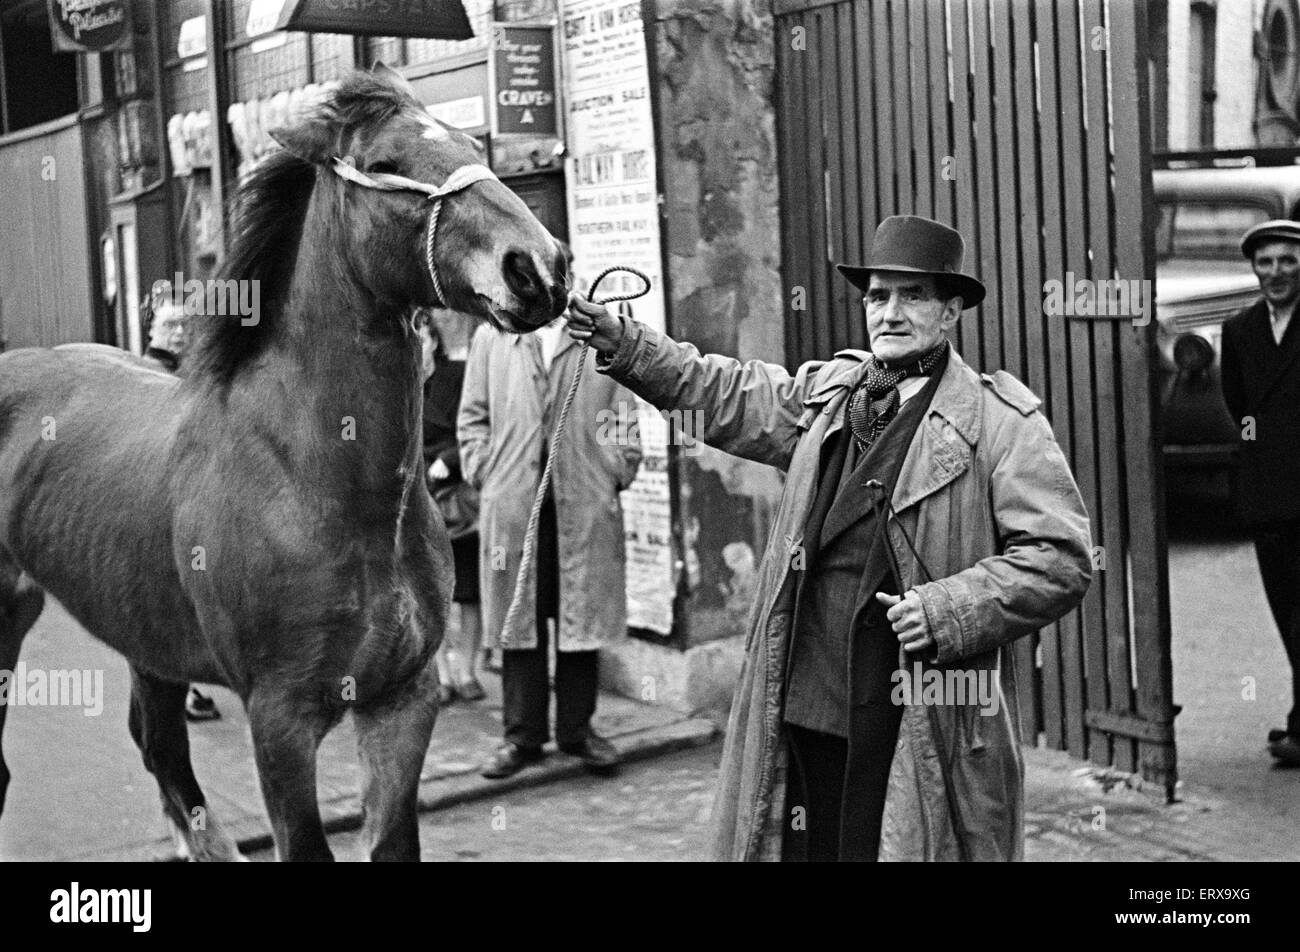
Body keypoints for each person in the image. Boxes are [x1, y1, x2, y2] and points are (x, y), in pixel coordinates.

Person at [567, 215, 1093, 861]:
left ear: (951, 309)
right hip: (807, 693)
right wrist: (626, 344)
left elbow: (1060, 558)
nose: (890, 314)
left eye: (913, 296)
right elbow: (720, 392)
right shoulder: (831, 395)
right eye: (878, 296)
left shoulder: (999, 424)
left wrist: (948, 608)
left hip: (915, 710)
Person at [459, 249, 643, 779]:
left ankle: (577, 731)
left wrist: (615, 470)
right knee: (520, 621)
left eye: (556, 273)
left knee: (579, 621)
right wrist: (484, 470)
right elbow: (472, 417)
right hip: (514, 506)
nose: (546, 283)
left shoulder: (595, 337)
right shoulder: (494, 337)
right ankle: (521, 737)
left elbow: (624, 418)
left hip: (581, 501)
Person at [1220, 219, 1300, 767]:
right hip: (1270, 495)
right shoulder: (1240, 328)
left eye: (1288, 261)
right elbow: (1239, 405)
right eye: (1265, 262)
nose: (1276, 272)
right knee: (1286, 611)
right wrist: (1262, 450)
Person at [140, 281, 221, 724]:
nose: (178, 332)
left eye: (184, 324)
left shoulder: (188, 370)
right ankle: (182, 689)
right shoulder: (148, 372)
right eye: (169, 324)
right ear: (152, 327)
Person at [417, 308, 486, 704]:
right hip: (421, 493)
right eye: (417, 340)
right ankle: (441, 674)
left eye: (427, 338)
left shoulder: (459, 374)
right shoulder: (404, 384)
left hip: (459, 491)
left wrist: (452, 459)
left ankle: (467, 669)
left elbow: (477, 423)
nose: (422, 346)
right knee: (434, 590)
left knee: (470, 589)